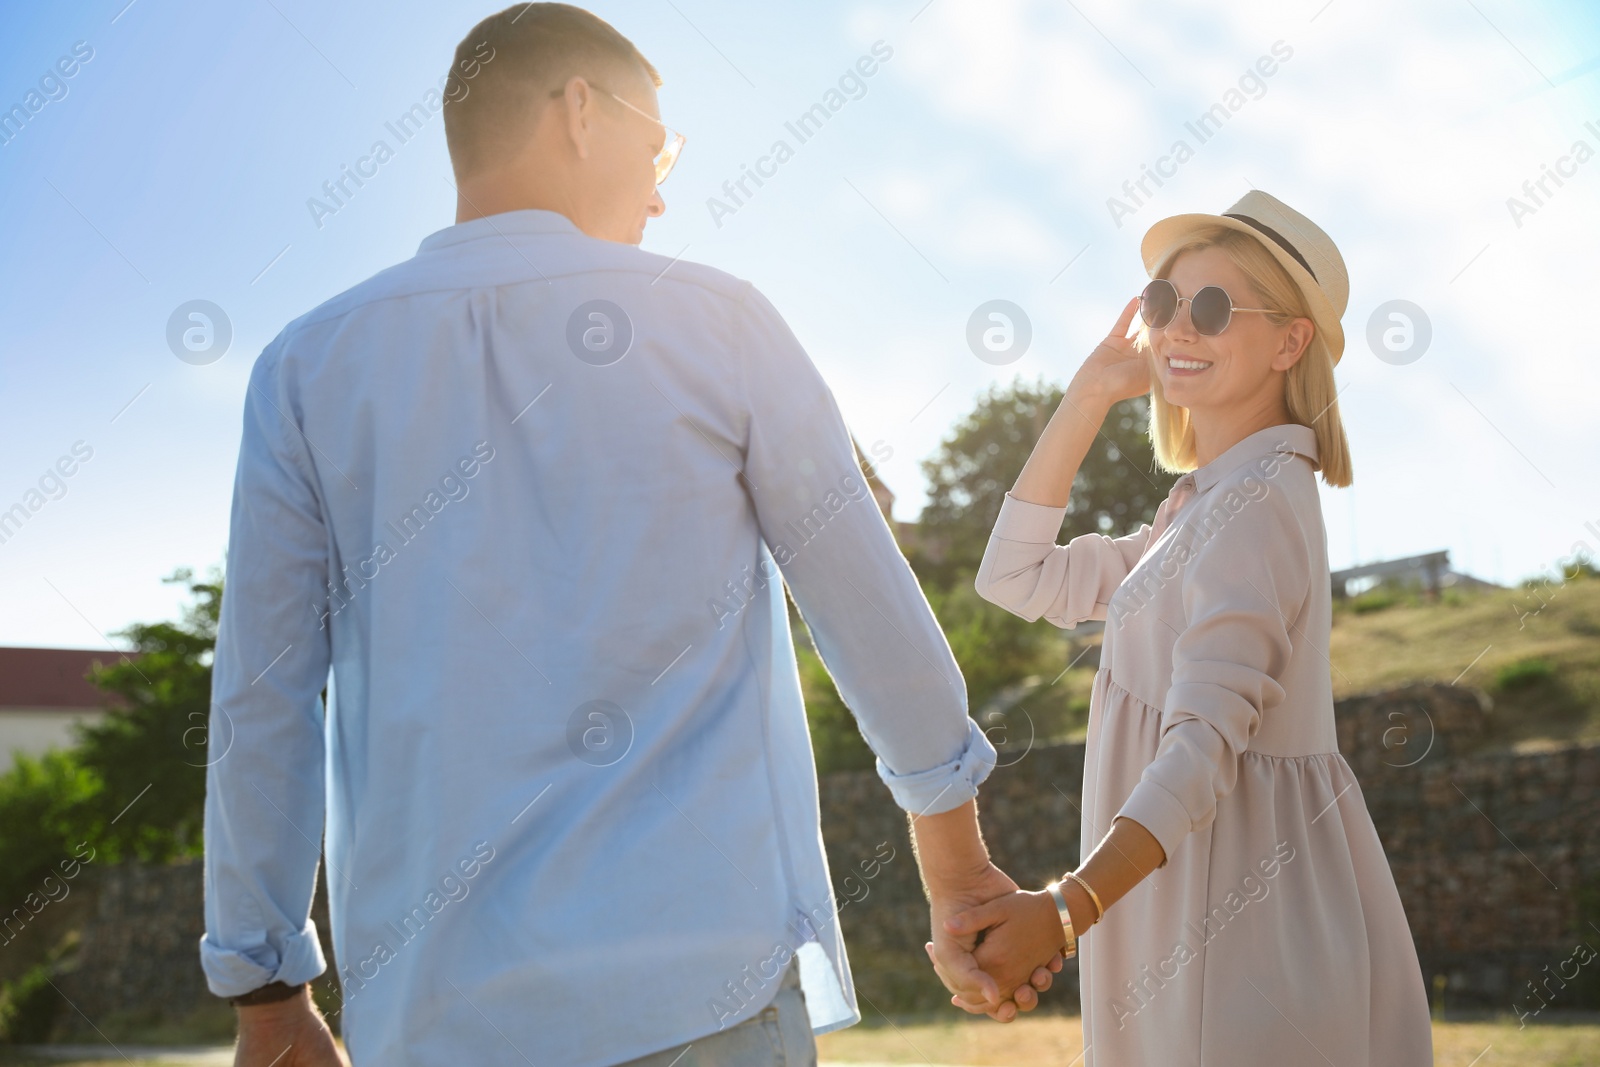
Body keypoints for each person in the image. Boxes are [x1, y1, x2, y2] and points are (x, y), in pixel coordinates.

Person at [198, 5, 1056, 1066]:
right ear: (578, 111)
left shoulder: (304, 367)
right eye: (659, 144)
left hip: (431, 1017)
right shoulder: (719, 321)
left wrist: (267, 988)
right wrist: (962, 874)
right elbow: (865, 609)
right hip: (707, 994)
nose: (661, 189)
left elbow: (260, 694)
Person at [949, 190, 1435, 1064]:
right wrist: (1095, 387)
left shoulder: (1256, 506)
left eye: (1213, 308)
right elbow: (1014, 576)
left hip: (1240, 946)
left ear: (1291, 342)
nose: (1179, 328)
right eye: (1165, 304)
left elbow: (1198, 751)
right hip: (1191, 920)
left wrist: (1062, 912)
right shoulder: (1198, 509)